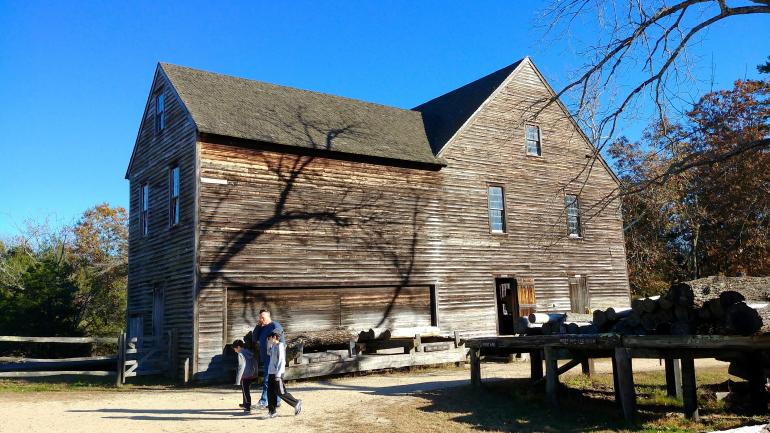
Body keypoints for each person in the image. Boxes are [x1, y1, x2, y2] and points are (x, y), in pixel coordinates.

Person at [252, 309, 285, 409]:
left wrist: (277, 356)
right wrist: (258, 326)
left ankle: (263, 401)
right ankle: (277, 401)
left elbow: (280, 339)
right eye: (260, 317)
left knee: (267, 379)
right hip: (265, 358)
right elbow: (254, 338)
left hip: (272, 358)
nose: (261, 319)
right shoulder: (262, 327)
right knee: (272, 381)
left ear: (269, 316)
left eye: (263, 317)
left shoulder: (275, 325)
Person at [266, 331, 302, 418]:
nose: (268, 340)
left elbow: (282, 361)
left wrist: (278, 375)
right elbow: (268, 353)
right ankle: (272, 411)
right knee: (270, 392)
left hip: (277, 373)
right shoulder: (273, 346)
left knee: (280, 392)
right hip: (271, 372)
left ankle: (296, 403)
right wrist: (268, 344)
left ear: (274, 337)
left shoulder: (280, 346)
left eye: (269, 338)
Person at [232, 339, 257, 412]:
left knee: (245, 390)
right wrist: (255, 372)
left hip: (245, 375)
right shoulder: (248, 352)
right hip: (251, 373)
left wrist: (238, 379)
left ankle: (247, 405)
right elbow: (255, 362)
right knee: (246, 390)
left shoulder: (240, 354)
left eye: (235, 349)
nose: (235, 351)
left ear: (238, 347)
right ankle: (245, 403)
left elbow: (241, 366)